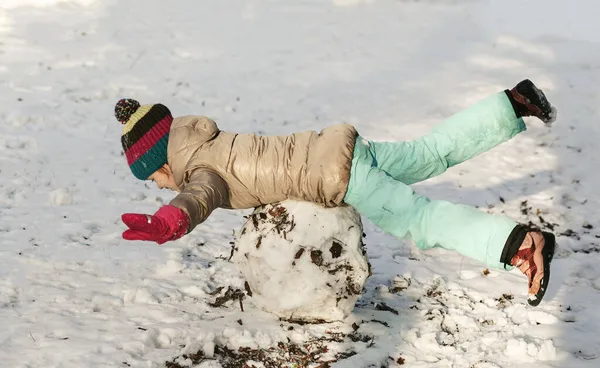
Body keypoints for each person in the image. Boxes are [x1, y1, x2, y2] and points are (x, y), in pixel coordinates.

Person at [115, 79, 557, 307]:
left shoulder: (201, 170)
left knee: (419, 220)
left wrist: (170, 221)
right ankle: (512, 103)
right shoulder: (208, 142)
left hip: (340, 176)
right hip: (339, 147)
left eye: (154, 178)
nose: (159, 185)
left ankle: (520, 244)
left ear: (165, 163)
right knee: (428, 152)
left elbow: (199, 197)